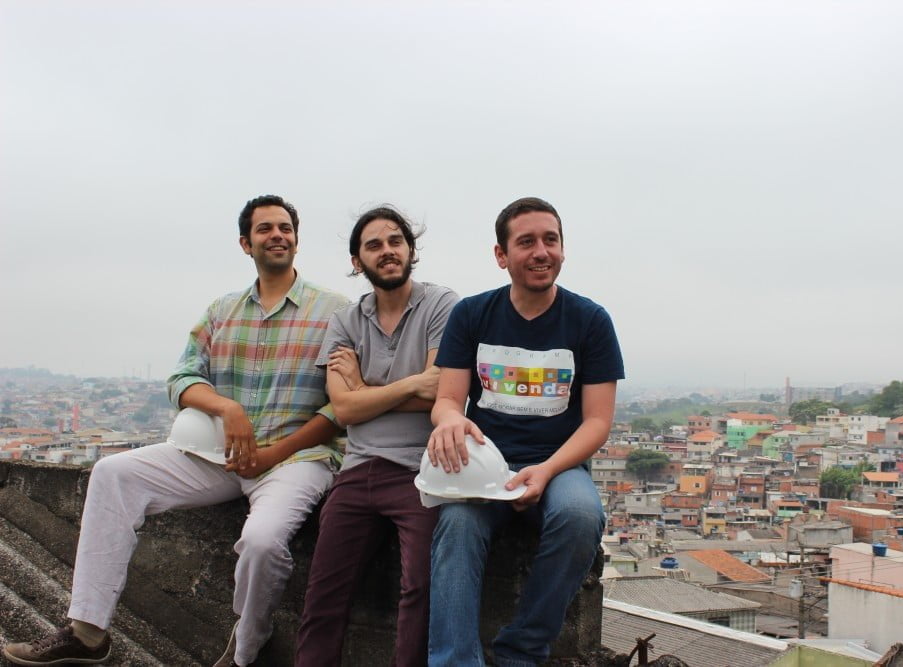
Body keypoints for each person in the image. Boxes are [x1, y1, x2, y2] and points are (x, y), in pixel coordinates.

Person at [2, 195, 349, 667]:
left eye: (285, 227)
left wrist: (274, 453)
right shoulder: (222, 310)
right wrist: (227, 409)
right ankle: (86, 630)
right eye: (265, 229)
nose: (277, 235)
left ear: (296, 238)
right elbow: (182, 378)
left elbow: (341, 405)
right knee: (113, 474)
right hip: (220, 456)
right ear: (246, 244)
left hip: (295, 461)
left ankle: (247, 648)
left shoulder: (334, 311)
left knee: (263, 542)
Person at [425, 197, 624, 667]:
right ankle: (455, 661)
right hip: (486, 463)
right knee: (455, 527)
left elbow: (597, 420)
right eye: (527, 242)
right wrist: (451, 420)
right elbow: (448, 400)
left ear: (562, 249)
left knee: (580, 517)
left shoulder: (589, 320)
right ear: (501, 255)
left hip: (559, 463)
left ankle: (522, 648)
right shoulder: (473, 314)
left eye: (550, 240)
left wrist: (547, 469)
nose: (541, 252)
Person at [296, 207, 458, 666]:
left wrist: (365, 387)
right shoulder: (346, 321)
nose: (386, 251)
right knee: (324, 592)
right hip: (358, 468)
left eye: (395, 241)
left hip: (421, 468)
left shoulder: (441, 305)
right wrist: (406, 386)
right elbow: (344, 410)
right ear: (357, 260)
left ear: (410, 250)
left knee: (420, 588)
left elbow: (440, 392)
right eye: (373, 245)